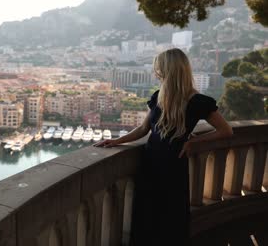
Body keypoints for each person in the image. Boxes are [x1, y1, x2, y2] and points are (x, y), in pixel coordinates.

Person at [94, 48, 233, 245]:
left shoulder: (198, 101)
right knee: (147, 216)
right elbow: (144, 129)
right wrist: (116, 141)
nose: (156, 72)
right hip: (151, 164)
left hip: (173, 167)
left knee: (169, 219)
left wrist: (193, 141)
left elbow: (226, 130)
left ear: (169, 70)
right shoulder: (159, 96)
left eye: (158, 68)